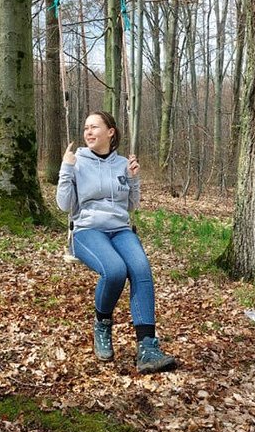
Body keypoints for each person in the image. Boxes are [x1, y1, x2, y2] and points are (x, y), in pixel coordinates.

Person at [56, 111, 176, 373]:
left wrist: (134, 179)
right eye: (86, 127)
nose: (88, 132)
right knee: (115, 271)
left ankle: (147, 347)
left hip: (120, 230)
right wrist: (66, 168)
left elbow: (132, 204)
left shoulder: (122, 163)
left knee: (141, 270)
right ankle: (102, 324)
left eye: (94, 127)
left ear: (110, 132)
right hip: (87, 230)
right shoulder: (77, 161)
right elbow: (64, 204)